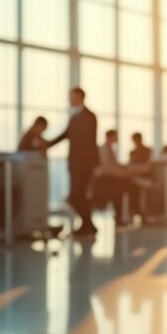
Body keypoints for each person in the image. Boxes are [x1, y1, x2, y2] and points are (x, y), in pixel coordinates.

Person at [48, 88, 100, 237]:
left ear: (80, 97)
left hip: (85, 164)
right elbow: (66, 134)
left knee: (77, 195)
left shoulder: (89, 116)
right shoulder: (74, 117)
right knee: (77, 195)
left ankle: (88, 224)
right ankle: (88, 224)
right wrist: (47, 144)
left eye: (72, 97)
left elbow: (91, 141)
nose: (70, 99)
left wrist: (95, 164)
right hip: (74, 163)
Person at [93, 130, 130, 227]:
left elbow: (112, 165)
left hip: (111, 177)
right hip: (108, 178)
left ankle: (120, 217)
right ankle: (119, 218)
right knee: (118, 196)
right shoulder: (104, 149)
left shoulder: (108, 148)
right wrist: (123, 173)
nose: (117, 139)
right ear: (111, 137)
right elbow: (108, 168)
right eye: (115, 136)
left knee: (119, 196)